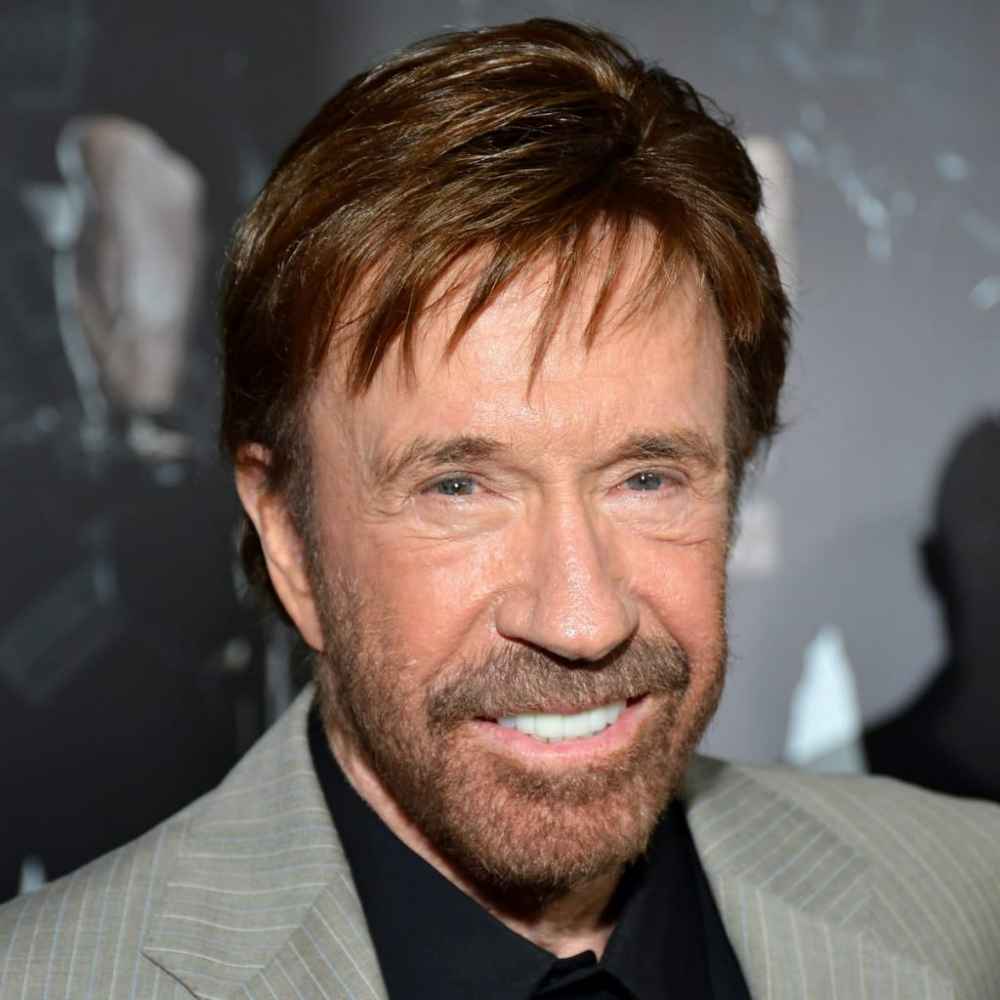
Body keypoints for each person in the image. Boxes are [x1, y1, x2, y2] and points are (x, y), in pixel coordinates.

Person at [2, 18, 999, 999]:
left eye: (646, 479)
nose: (582, 619)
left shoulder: (968, 899)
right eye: (458, 488)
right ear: (289, 539)